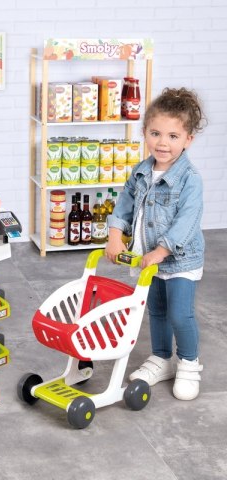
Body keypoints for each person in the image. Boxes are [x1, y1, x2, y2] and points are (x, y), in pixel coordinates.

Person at [105, 87, 207, 401]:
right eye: (155, 133)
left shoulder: (190, 179)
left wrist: (162, 251)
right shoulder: (140, 172)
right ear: (145, 132)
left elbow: (187, 221)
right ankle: (161, 358)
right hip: (148, 258)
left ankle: (188, 363)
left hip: (179, 259)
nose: (163, 143)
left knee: (179, 313)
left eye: (173, 136)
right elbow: (124, 205)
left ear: (188, 139)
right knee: (157, 311)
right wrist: (114, 236)